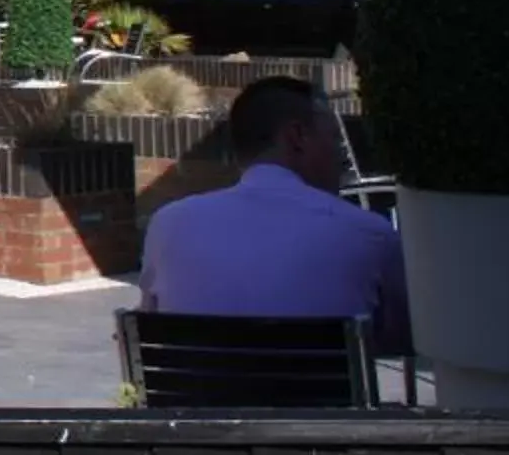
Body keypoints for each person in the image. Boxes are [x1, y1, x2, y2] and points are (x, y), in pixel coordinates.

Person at [139, 75, 410, 355]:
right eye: (334, 140)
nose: (340, 158)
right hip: (319, 397)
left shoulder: (168, 225)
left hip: (196, 396)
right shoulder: (367, 233)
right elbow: (403, 338)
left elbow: (152, 326)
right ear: (297, 138)